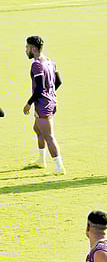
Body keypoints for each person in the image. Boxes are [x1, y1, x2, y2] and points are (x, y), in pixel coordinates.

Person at [24, 36, 65, 175]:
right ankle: (41, 160)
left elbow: (40, 88)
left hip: (43, 104)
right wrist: (50, 94)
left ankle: (59, 167)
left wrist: (28, 103)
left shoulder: (36, 65)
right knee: (37, 129)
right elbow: (58, 82)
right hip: (50, 102)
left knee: (49, 135)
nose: (26, 50)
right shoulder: (50, 62)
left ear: (33, 49)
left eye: (27, 47)